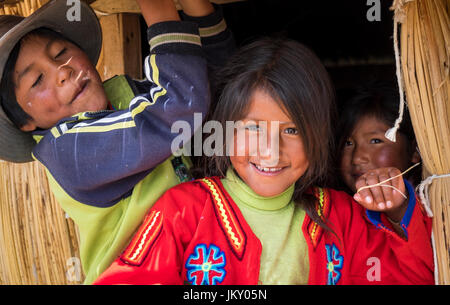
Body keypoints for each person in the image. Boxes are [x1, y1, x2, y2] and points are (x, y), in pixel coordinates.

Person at [93, 38, 434, 285]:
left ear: (319, 133)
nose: (271, 151)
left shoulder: (340, 218)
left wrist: (397, 210)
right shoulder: (184, 212)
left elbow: (417, 276)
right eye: (254, 128)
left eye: (292, 129)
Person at [0, 0, 234, 284]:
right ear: (26, 122)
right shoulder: (67, 152)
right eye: (37, 80)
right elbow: (181, 105)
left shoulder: (127, 96)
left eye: (61, 52)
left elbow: (214, 90)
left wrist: (199, 10)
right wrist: (159, 12)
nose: (62, 71)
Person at [336, 81, 422, 201]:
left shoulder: (430, 205)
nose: (357, 158)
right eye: (348, 143)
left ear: (415, 151)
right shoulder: (335, 207)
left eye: (375, 141)